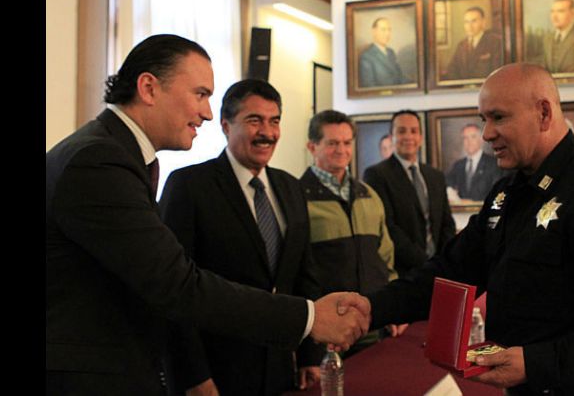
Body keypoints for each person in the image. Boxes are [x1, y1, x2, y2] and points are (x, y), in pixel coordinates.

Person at [46, 34, 370, 396]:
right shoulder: (99, 161)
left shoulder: (110, 151)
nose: (205, 111)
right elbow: (178, 284)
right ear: (149, 88)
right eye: (200, 94)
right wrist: (309, 318)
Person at [367, 63, 574, 395]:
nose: (486, 134)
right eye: (484, 119)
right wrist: (371, 309)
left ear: (543, 113)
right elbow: (451, 269)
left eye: (498, 117)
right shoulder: (508, 193)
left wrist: (539, 362)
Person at [159, 79, 324, 395]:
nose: (267, 132)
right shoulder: (189, 186)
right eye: (254, 120)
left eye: (274, 121)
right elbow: (172, 292)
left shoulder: (291, 188)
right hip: (216, 372)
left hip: (280, 367)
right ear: (225, 125)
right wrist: (192, 377)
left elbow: (305, 276)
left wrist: (309, 355)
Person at [301, 110, 406, 356]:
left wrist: (393, 308)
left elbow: (386, 259)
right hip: (327, 336)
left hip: (374, 327)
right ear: (312, 146)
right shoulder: (297, 198)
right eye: (332, 143)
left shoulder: (368, 195)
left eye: (347, 143)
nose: (341, 150)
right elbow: (298, 275)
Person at [363, 110, 456, 278]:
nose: (408, 137)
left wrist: (443, 259)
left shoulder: (435, 176)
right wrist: (425, 263)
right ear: (391, 136)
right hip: (402, 272)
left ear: (420, 137)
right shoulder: (376, 175)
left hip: (439, 270)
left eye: (414, 131)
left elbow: (446, 223)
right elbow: (388, 227)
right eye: (401, 131)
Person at [445, 123, 505, 202]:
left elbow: (498, 195)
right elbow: (447, 185)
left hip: (485, 212)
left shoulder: (494, 164)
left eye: (473, 137)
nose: (469, 142)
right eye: (465, 138)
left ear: (481, 140)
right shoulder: (458, 165)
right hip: (461, 213)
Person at [442, 6, 503, 80]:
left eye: (474, 21)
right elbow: (451, 70)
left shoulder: (495, 42)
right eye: (466, 22)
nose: (469, 26)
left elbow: (498, 72)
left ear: (483, 22)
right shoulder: (461, 45)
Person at [358, 17, 406, 88]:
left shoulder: (391, 52)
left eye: (389, 30)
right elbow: (369, 86)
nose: (387, 34)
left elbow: (400, 77)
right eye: (383, 30)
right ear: (374, 32)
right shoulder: (366, 57)